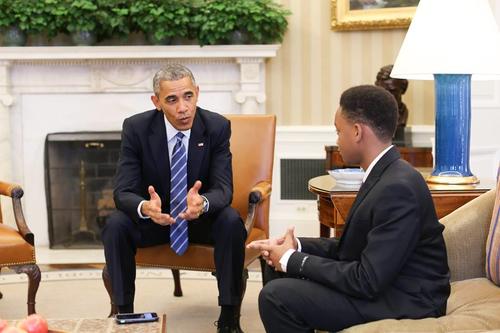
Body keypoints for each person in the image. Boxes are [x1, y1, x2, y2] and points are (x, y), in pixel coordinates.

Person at [248, 85, 450, 332]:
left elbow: (367, 280)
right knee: (276, 269)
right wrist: (295, 247)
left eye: (338, 131)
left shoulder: (398, 188)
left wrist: (293, 260)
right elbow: (353, 248)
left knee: (276, 296)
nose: (337, 140)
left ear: (356, 132)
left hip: (407, 300)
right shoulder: (383, 173)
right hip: (384, 284)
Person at [101, 64, 247, 333]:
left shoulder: (216, 127)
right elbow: (123, 191)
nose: (183, 108)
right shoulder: (136, 128)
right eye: (172, 99)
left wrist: (202, 203)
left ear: (197, 94)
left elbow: (224, 189)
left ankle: (229, 317)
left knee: (230, 220)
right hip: (156, 221)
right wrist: (145, 207)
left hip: (199, 221)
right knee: (116, 224)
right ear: (156, 102)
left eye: (188, 96)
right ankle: (124, 316)